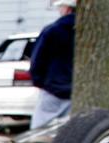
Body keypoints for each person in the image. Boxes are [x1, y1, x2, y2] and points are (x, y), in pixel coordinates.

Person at [29, 0, 76, 128]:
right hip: (75, 90)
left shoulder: (53, 30)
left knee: (40, 128)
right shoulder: (85, 33)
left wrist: (38, 81)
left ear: (67, 9)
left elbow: (38, 59)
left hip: (52, 88)